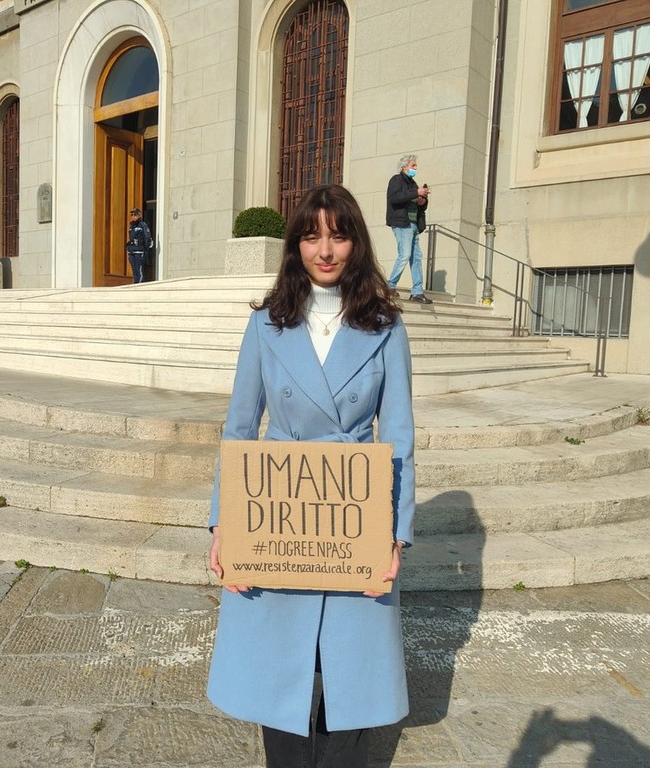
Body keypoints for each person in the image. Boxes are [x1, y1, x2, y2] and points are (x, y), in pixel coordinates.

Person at [207, 184, 416, 768]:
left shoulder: (386, 327)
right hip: (279, 512)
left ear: (357, 243)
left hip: (355, 513)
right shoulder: (266, 325)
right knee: (281, 676)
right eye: (311, 235)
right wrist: (225, 524)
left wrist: (395, 535)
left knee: (352, 678)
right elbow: (239, 427)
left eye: (339, 235)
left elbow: (399, 436)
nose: (325, 250)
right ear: (295, 245)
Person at [386, 154, 432, 303]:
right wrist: (416, 193)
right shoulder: (396, 180)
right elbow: (394, 198)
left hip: (413, 224)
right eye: (413, 165)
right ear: (404, 167)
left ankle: (417, 292)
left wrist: (422, 200)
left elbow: (417, 204)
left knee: (416, 257)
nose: (415, 168)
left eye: (415, 166)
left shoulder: (413, 183)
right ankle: (390, 286)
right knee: (405, 254)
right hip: (401, 223)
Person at [126, 207, 152, 284]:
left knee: (139, 270)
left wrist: (145, 249)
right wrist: (128, 247)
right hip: (132, 251)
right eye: (132, 215)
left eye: (135, 215)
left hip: (139, 251)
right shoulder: (131, 226)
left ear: (139, 215)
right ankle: (135, 284)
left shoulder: (142, 225)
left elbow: (147, 238)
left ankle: (140, 285)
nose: (133, 216)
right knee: (134, 270)